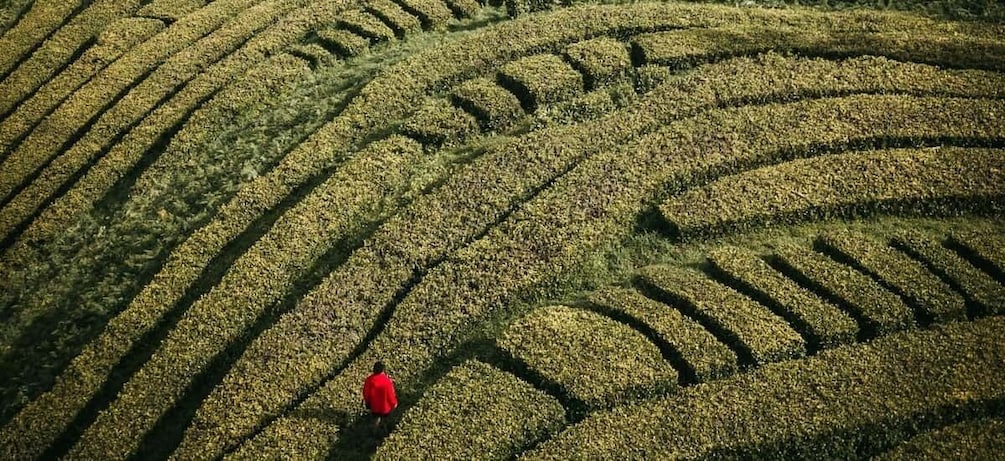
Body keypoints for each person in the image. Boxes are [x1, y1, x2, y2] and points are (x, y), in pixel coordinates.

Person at [362, 361, 398, 432]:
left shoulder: (369, 380)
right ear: (383, 370)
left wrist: (368, 402)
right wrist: (394, 403)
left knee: (376, 418)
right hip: (385, 407)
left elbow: (366, 393)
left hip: (374, 406)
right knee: (386, 419)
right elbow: (390, 395)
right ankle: (386, 431)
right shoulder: (387, 381)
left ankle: (374, 432)